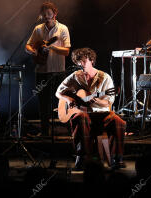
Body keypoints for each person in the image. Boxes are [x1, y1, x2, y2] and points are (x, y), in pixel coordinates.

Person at [55, 48, 126, 170]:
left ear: (91, 60)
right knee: (81, 117)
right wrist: (69, 100)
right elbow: (58, 92)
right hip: (84, 114)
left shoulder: (105, 78)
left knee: (118, 121)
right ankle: (82, 156)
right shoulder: (75, 76)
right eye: (78, 62)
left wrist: (96, 100)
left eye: (83, 61)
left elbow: (108, 102)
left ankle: (116, 157)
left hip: (101, 115)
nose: (80, 65)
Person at [25, 2, 71, 136]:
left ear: (55, 14)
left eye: (49, 14)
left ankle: (69, 132)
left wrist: (52, 47)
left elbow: (67, 51)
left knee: (62, 101)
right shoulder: (38, 29)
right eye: (44, 14)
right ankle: (45, 133)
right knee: (43, 103)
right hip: (41, 71)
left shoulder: (63, 29)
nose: (47, 17)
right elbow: (28, 46)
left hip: (58, 71)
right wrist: (33, 52)